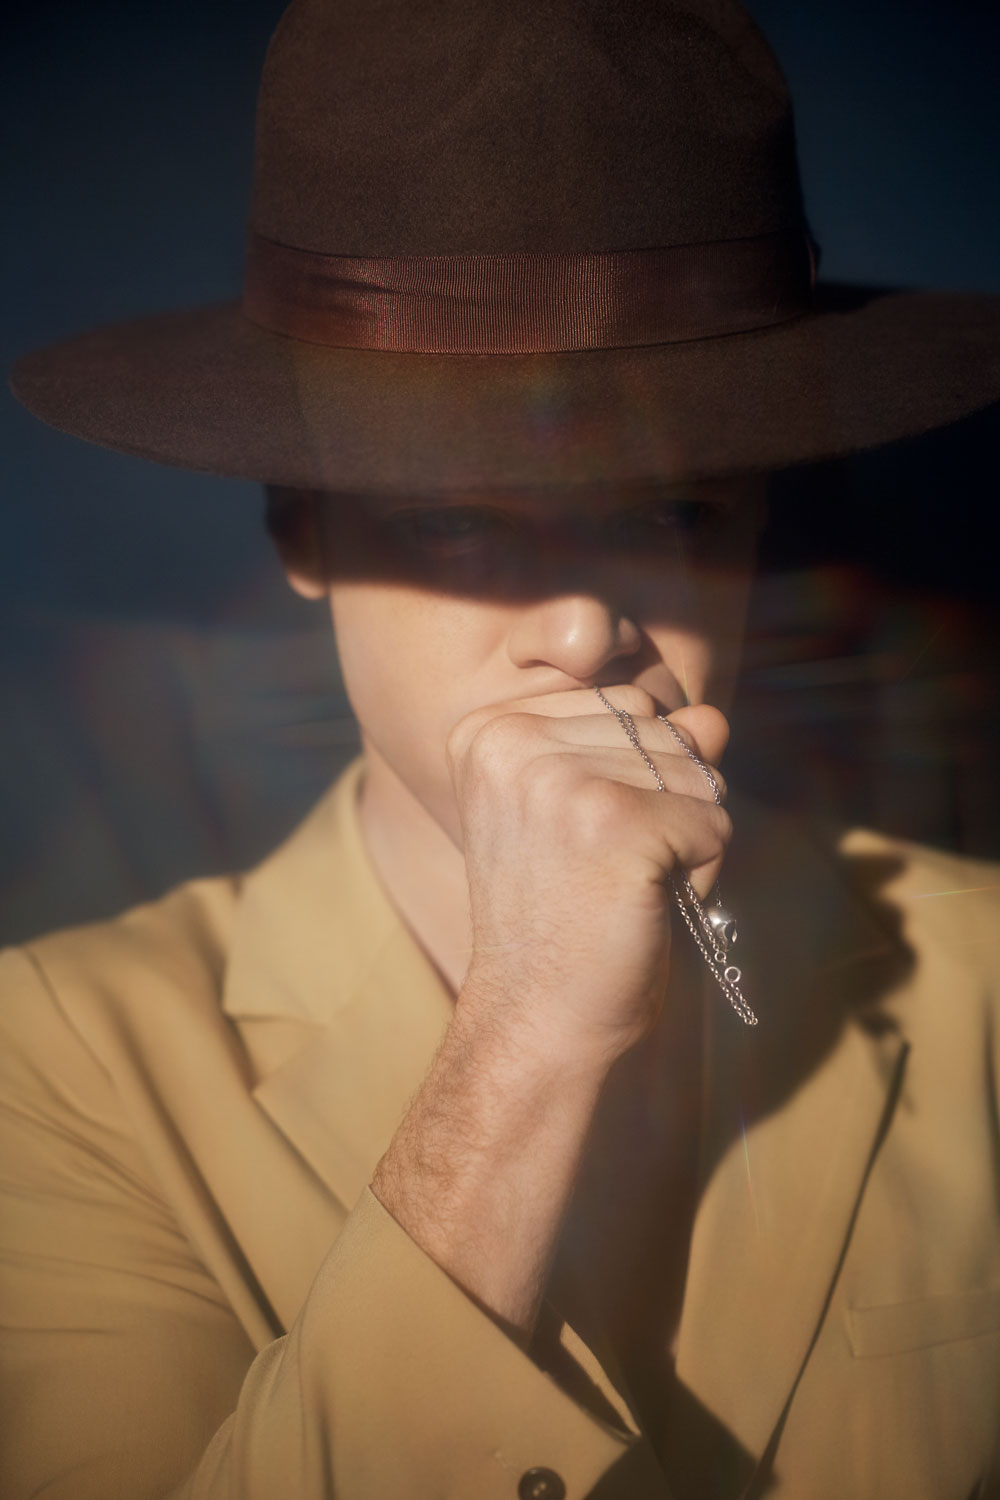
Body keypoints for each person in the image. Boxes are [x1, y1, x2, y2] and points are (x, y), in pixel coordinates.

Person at [4, 0, 1000, 1496]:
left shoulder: (986, 983)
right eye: (458, 521)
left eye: (672, 513)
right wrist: (522, 1035)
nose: (585, 629)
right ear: (300, 527)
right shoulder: (53, 1067)